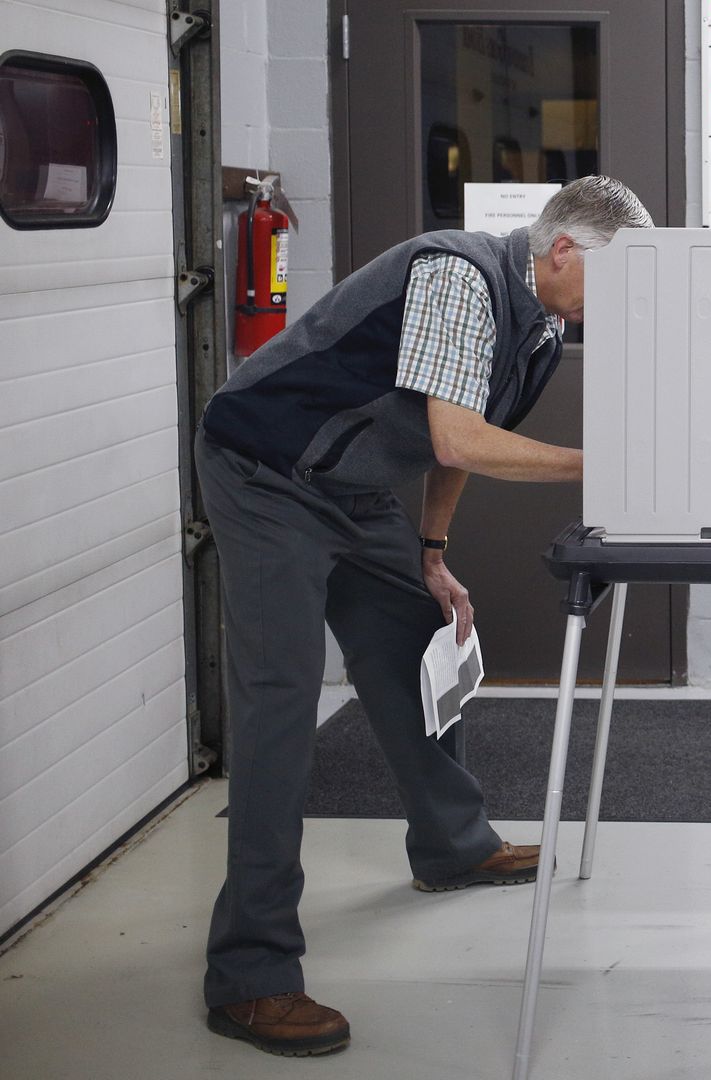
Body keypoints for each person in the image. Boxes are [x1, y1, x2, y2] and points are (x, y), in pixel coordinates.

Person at [193, 176, 653, 1056]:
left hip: (353, 486)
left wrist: (431, 553)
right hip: (266, 472)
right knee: (280, 706)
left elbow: (460, 440)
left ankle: (451, 845)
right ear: (563, 251)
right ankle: (249, 974)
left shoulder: (544, 329)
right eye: (617, 282)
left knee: (416, 645)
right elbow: (456, 437)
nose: (620, 307)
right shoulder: (457, 276)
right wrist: (613, 464)